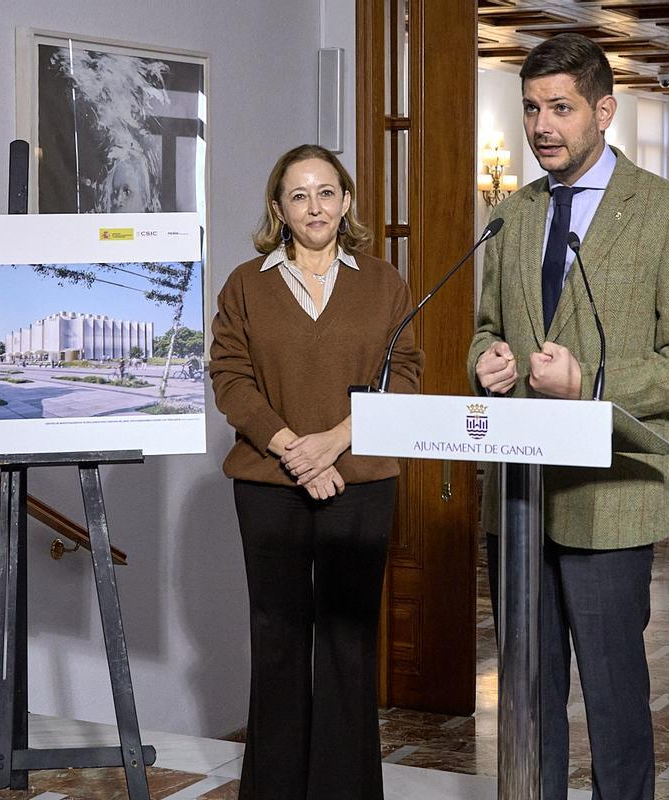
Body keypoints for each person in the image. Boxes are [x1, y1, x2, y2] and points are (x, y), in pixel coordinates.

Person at [467, 33, 669, 800]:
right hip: (516, 498)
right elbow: (485, 324)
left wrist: (593, 380)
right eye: (532, 109)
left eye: (562, 108)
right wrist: (486, 360)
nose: (543, 126)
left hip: (613, 493)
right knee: (526, 697)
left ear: (604, 110)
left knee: (613, 700)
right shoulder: (511, 213)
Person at [209, 143, 423, 800]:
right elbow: (230, 377)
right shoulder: (246, 283)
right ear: (278, 208)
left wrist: (331, 444)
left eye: (326, 192)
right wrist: (292, 449)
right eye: (298, 195)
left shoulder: (383, 281)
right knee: (276, 639)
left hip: (360, 482)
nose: (314, 206)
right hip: (269, 485)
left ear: (347, 200)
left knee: (347, 640)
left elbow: (406, 375)